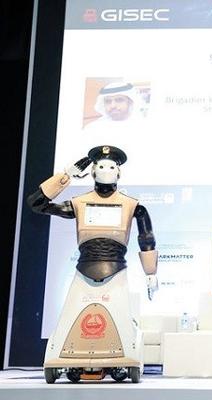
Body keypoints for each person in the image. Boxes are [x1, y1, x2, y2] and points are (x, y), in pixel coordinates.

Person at [27, 145, 159, 383]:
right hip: (84, 268)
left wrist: (151, 273)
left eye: (111, 166)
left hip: (116, 269)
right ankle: (64, 355)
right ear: (92, 171)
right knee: (71, 316)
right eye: (101, 165)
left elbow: (146, 239)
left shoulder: (132, 205)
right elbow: (36, 203)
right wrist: (65, 176)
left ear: (118, 171)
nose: (106, 169)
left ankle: (123, 356)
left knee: (120, 318)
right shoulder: (80, 203)